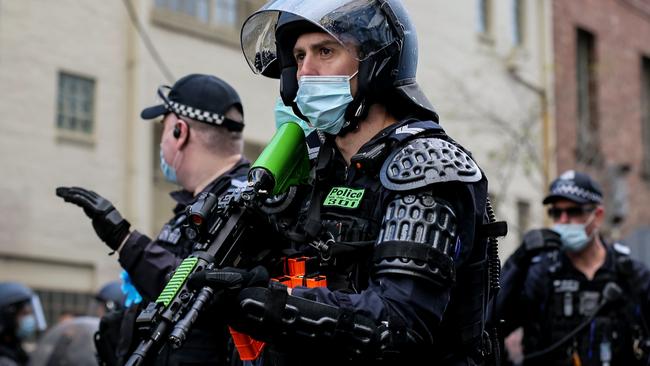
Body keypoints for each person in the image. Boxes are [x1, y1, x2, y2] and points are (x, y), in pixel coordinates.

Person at [191, 1, 504, 365]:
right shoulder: (316, 168)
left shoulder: (426, 165)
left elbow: (399, 323)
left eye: (325, 51)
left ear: (374, 63)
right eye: (298, 56)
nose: (305, 71)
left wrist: (267, 303)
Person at [56, 73, 250, 365]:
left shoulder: (241, 203)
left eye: (164, 128)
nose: (162, 141)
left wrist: (124, 241)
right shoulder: (200, 203)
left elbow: (194, 287)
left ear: (179, 132)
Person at [498, 170, 650, 365]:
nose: (563, 220)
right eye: (555, 212)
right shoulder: (541, 273)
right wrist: (519, 260)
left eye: (573, 211)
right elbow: (492, 322)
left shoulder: (631, 275)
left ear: (598, 215)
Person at [0, 283, 46, 366]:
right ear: (8, 316)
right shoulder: (4, 360)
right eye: (24, 314)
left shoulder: (16, 351)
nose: (30, 319)